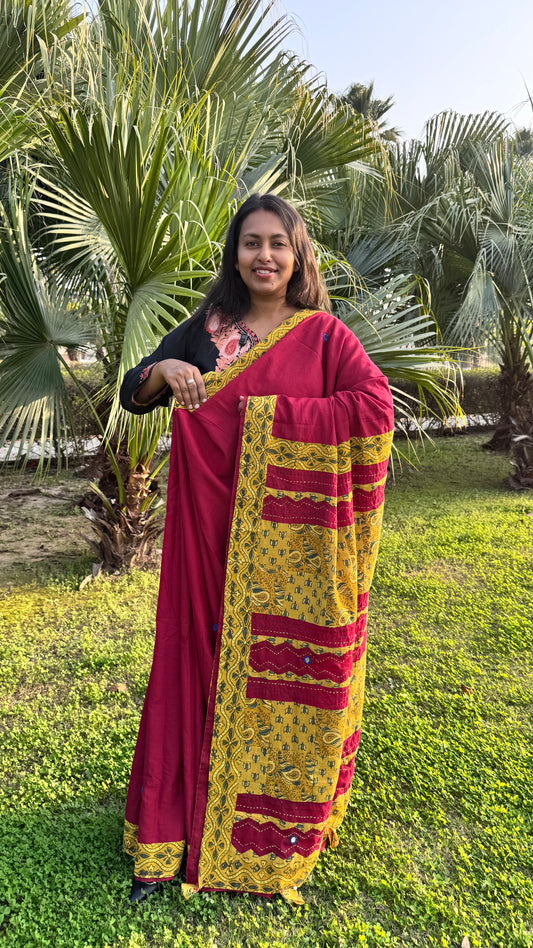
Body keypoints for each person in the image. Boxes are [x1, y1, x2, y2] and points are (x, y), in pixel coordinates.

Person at [120, 193, 394, 904]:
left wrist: (263, 418)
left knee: (270, 676)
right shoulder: (207, 331)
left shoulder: (325, 336)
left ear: (297, 254)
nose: (264, 255)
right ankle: (171, 830)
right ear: (233, 255)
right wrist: (164, 374)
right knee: (197, 661)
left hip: (288, 552)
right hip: (207, 539)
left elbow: (372, 408)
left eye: (277, 243)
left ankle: (268, 831)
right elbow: (133, 391)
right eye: (250, 243)